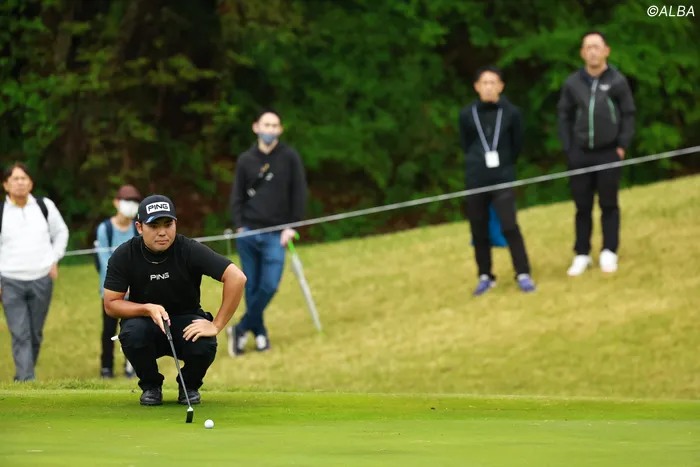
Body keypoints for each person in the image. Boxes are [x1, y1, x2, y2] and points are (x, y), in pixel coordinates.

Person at [103, 194, 246, 406]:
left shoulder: (189, 249)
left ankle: (189, 386)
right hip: (145, 322)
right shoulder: (124, 255)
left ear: (175, 224)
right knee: (132, 334)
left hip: (185, 320)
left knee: (204, 342)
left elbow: (236, 278)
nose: (162, 232)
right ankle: (151, 386)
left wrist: (216, 325)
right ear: (139, 227)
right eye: (154, 226)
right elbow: (111, 304)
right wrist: (146, 309)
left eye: (168, 224)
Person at [227, 109, 308, 356]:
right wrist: (239, 225)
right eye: (266, 125)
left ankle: (241, 328)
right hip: (248, 233)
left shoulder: (289, 157)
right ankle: (260, 334)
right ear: (256, 127)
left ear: (280, 130)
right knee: (250, 287)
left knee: (270, 284)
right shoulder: (246, 160)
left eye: (274, 126)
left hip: (276, 233)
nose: (270, 130)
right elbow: (237, 195)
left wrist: (292, 226)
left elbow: (299, 192)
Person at [557, 31, 635, 276]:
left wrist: (622, 145)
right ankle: (582, 253)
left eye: (596, 47)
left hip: (608, 151)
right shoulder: (573, 83)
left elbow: (628, 114)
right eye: (588, 47)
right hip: (580, 153)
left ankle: (609, 250)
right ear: (582, 53)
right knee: (582, 206)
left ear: (606, 51)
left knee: (609, 203)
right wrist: (568, 148)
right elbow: (564, 116)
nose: (592, 51)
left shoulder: (617, 81)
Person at [458, 66, 536, 296]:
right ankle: (485, 275)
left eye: (493, 83)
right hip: (476, 178)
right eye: (485, 83)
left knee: (509, 225)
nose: (489, 87)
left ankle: (523, 273)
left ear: (501, 86)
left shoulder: (511, 113)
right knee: (478, 228)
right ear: (477, 87)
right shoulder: (467, 114)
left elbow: (517, 144)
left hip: (502, 177)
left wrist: (505, 166)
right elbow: (466, 143)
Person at [0, 162, 69, 381]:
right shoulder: (2, 212)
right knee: (20, 333)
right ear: (5, 185)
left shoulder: (44, 206)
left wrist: (54, 258)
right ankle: (26, 380)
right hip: (10, 281)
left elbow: (61, 232)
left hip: (41, 279)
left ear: (31, 183)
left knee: (35, 333)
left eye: (24, 178)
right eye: (15, 179)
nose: (20, 183)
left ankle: (24, 375)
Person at [95, 184, 142, 379]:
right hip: (110, 291)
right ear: (116, 202)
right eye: (127, 201)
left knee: (133, 328)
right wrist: (120, 284)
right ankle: (106, 367)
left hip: (134, 290)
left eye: (134, 202)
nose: (131, 205)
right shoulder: (104, 229)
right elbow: (104, 260)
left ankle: (132, 365)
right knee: (109, 329)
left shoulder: (137, 228)